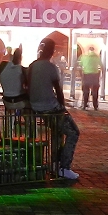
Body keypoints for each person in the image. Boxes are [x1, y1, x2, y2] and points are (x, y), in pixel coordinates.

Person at [29, 38, 80, 181]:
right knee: (74, 133)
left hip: (36, 107)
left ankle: (55, 163)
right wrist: (62, 107)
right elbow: (58, 90)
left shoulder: (33, 66)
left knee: (57, 134)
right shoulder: (51, 68)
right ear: (51, 51)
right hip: (51, 107)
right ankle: (64, 167)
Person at [0, 47, 28, 113]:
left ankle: (10, 121)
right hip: (20, 100)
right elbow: (27, 85)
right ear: (21, 58)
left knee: (10, 113)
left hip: (7, 100)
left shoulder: (3, 65)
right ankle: (28, 122)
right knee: (28, 110)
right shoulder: (22, 69)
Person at [79, 45, 102, 110]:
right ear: (94, 50)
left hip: (86, 75)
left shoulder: (84, 57)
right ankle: (95, 106)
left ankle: (85, 105)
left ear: (88, 50)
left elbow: (80, 65)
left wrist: (81, 74)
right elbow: (101, 66)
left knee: (85, 91)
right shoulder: (97, 57)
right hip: (95, 76)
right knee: (95, 91)